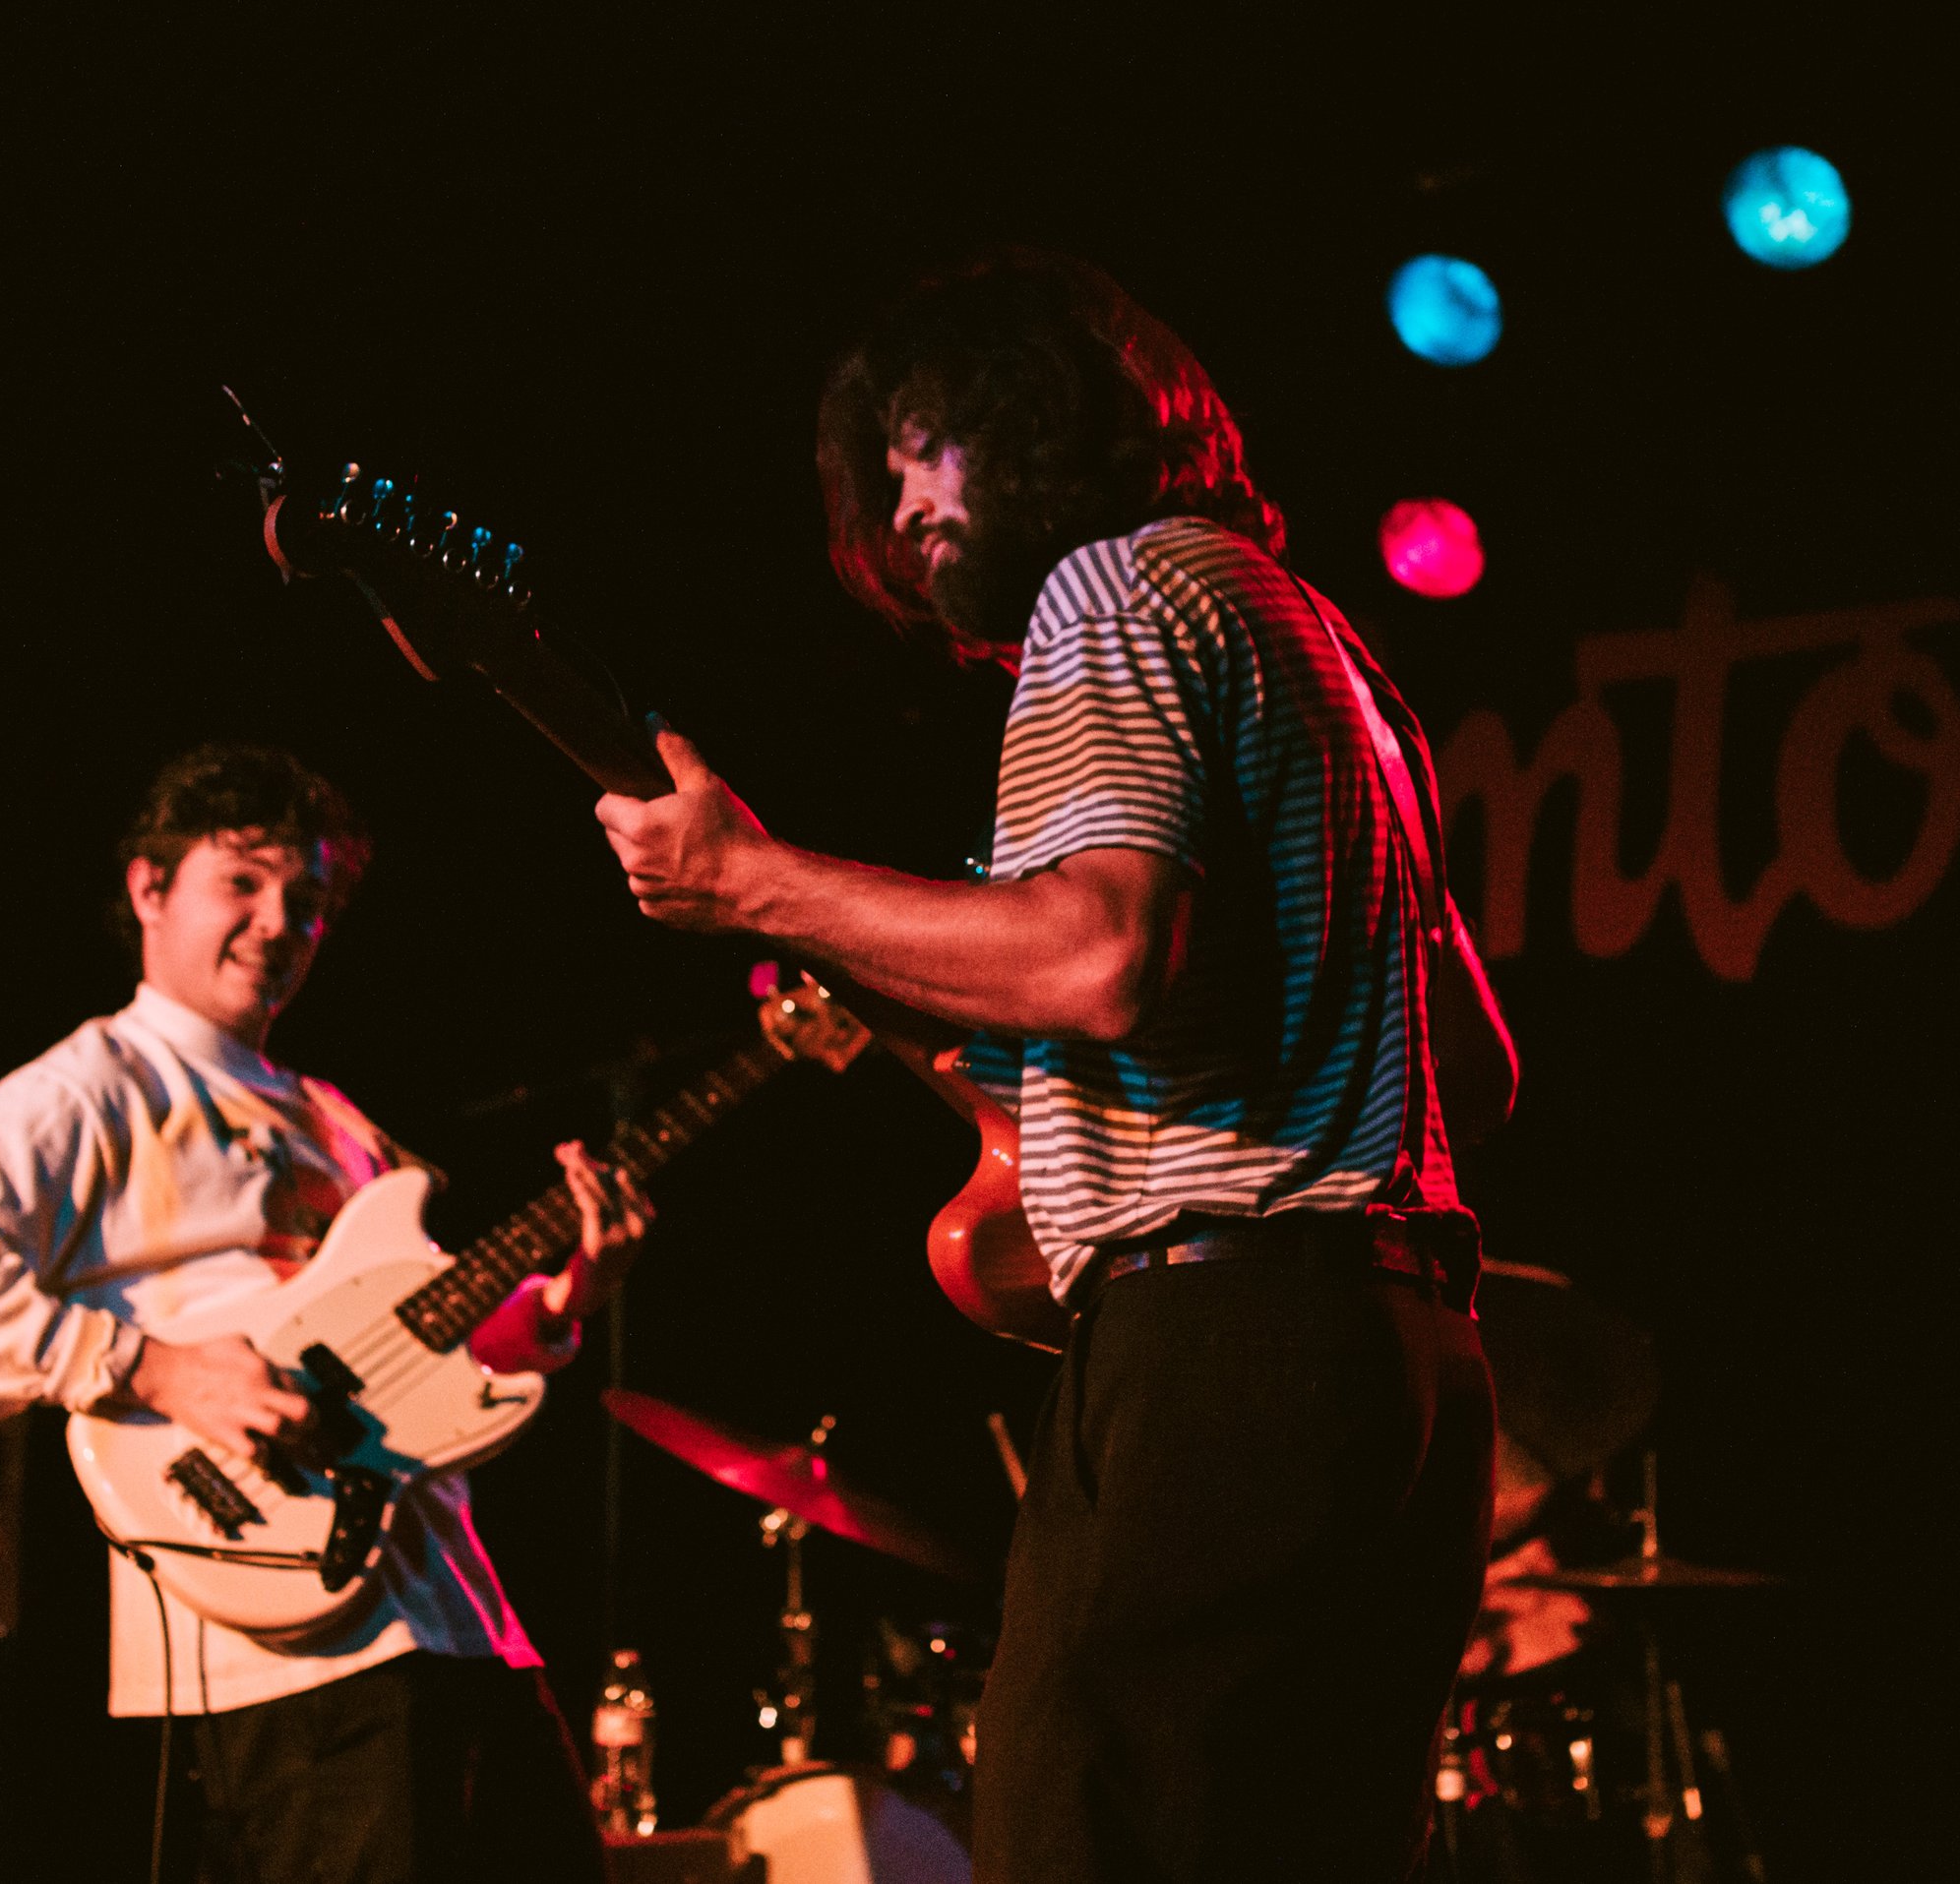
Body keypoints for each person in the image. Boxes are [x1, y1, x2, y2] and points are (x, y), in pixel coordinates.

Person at [592, 253, 1521, 1882]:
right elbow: (1471, 1064)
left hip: (1221, 1351)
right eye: (882, 469)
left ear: (1036, 417)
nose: (901, 497)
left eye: (926, 439)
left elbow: (1096, 957)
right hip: (1409, 1370)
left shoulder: (1116, 591)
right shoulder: (1334, 650)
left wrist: (754, 881)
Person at [0, 743, 643, 1884]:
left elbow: (430, 1356)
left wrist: (562, 1300)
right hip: (284, 1642)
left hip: (456, 1607)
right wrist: (147, 1365)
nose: (278, 923)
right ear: (148, 888)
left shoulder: (335, 1118)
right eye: (245, 883)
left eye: (308, 903)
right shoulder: (96, 1085)